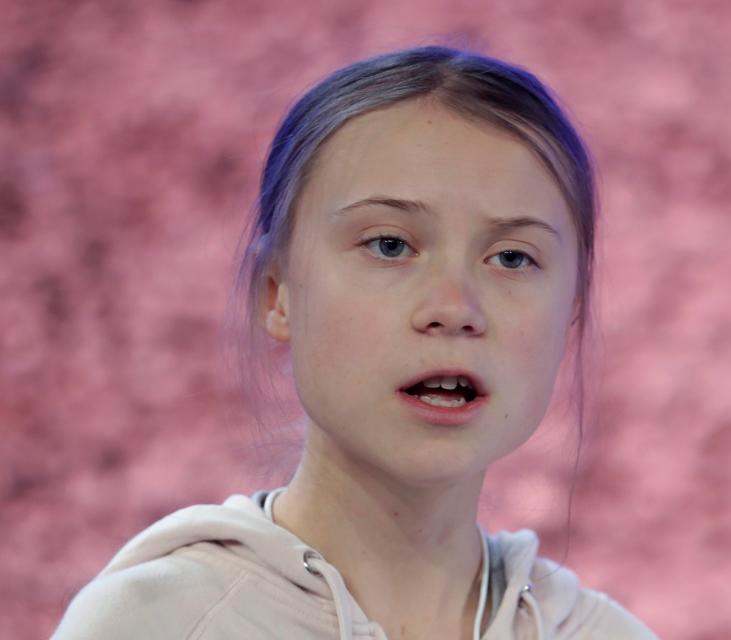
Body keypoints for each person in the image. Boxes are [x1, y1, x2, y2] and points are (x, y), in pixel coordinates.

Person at [52, 45, 659, 640]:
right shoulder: (157, 622)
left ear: (572, 308)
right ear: (277, 291)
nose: (455, 308)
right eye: (390, 244)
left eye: (511, 256)